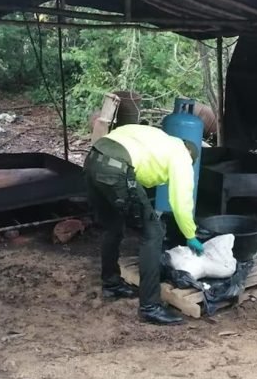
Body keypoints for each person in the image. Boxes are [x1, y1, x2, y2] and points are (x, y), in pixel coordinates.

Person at [84, 124, 204, 325]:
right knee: (153, 234)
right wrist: (190, 235)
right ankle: (150, 307)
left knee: (112, 226)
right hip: (116, 168)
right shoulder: (182, 156)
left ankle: (111, 284)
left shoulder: (159, 138)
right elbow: (181, 202)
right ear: (190, 156)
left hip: (93, 159)